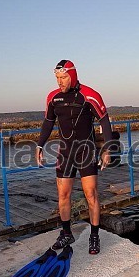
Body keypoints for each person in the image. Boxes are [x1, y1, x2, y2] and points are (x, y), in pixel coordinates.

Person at [36, 60, 113, 255]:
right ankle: (66, 233)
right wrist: (39, 145)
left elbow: (104, 120)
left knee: (91, 195)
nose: (60, 82)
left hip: (86, 151)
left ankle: (94, 235)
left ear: (73, 75)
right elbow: (47, 122)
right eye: (57, 78)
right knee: (63, 196)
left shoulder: (89, 95)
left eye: (63, 77)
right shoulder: (53, 98)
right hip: (65, 153)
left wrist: (107, 149)